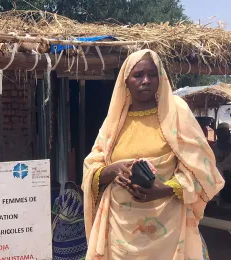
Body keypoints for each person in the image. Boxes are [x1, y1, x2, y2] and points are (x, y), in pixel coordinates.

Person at [82, 49, 223, 260]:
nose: (146, 80)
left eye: (152, 74)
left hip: (168, 227)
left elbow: (204, 169)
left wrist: (165, 189)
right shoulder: (115, 119)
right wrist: (110, 170)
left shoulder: (176, 113)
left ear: (161, 77)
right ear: (126, 81)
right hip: (120, 228)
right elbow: (92, 164)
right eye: (138, 75)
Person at [51, 181, 87, 260]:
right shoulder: (79, 199)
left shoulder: (59, 199)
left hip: (59, 251)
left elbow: (53, 214)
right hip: (80, 249)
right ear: (76, 189)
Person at [212, 122, 231, 204]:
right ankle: (215, 197)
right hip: (221, 167)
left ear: (228, 132)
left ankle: (216, 196)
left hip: (224, 166)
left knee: (217, 168)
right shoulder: (215, 145)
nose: (220, 135)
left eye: (223, 132)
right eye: (219, 132)